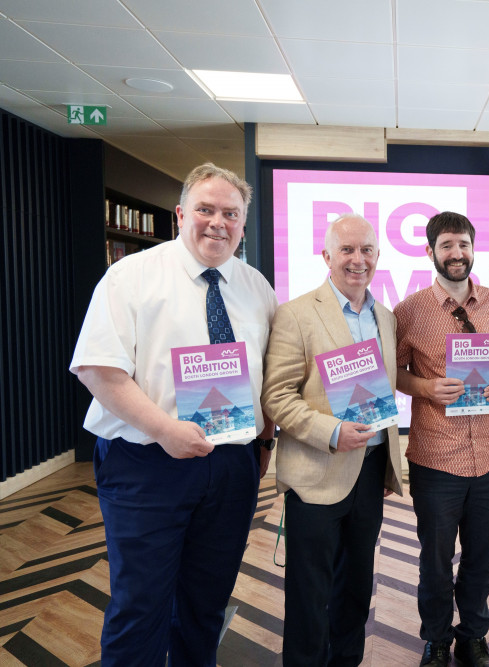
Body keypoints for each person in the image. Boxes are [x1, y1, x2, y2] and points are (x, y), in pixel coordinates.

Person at [69, 163, 277, 666]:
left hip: (231, 466)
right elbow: (98, 369)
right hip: (147, 464)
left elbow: (270, 374)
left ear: (242, 225)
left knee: (207, 602)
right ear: (180, 214)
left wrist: (264, 442)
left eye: (231, 214)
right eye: (205, 209)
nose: (218, 223)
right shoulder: (130, 277)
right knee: (140, 605)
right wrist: (165, 430)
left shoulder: (256, 287)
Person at [263, 214, 404, 666]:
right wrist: (332, 432)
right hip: (316, 473)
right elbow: (276, 396)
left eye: (366, 250)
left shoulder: (386, 317)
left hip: (370, 472)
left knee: (356, 586)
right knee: (309, 593)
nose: (358, 259)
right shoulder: (296, 314)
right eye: (347, 250)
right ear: (327, 256)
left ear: (377, 256)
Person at [394, 211, 489, 667]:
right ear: (430, 251)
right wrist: (426, 387)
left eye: (463, 244)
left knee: (482, 556)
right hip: (436, 457)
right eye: (447, 245)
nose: (456, 253)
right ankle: (436, 640)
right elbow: (394, 372)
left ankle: (473, 637)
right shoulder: (408, 311)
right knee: (435, 560)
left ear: (473, 248)